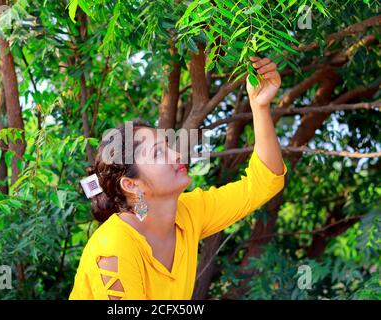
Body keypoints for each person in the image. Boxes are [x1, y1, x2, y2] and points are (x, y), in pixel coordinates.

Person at [69, 56, 287, 300]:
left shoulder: (189, 214)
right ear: (131, 184)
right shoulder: (114, 248)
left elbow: (264, 182)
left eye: (168, 145)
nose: (176, 155)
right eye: (158, 153)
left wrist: (259, 106)